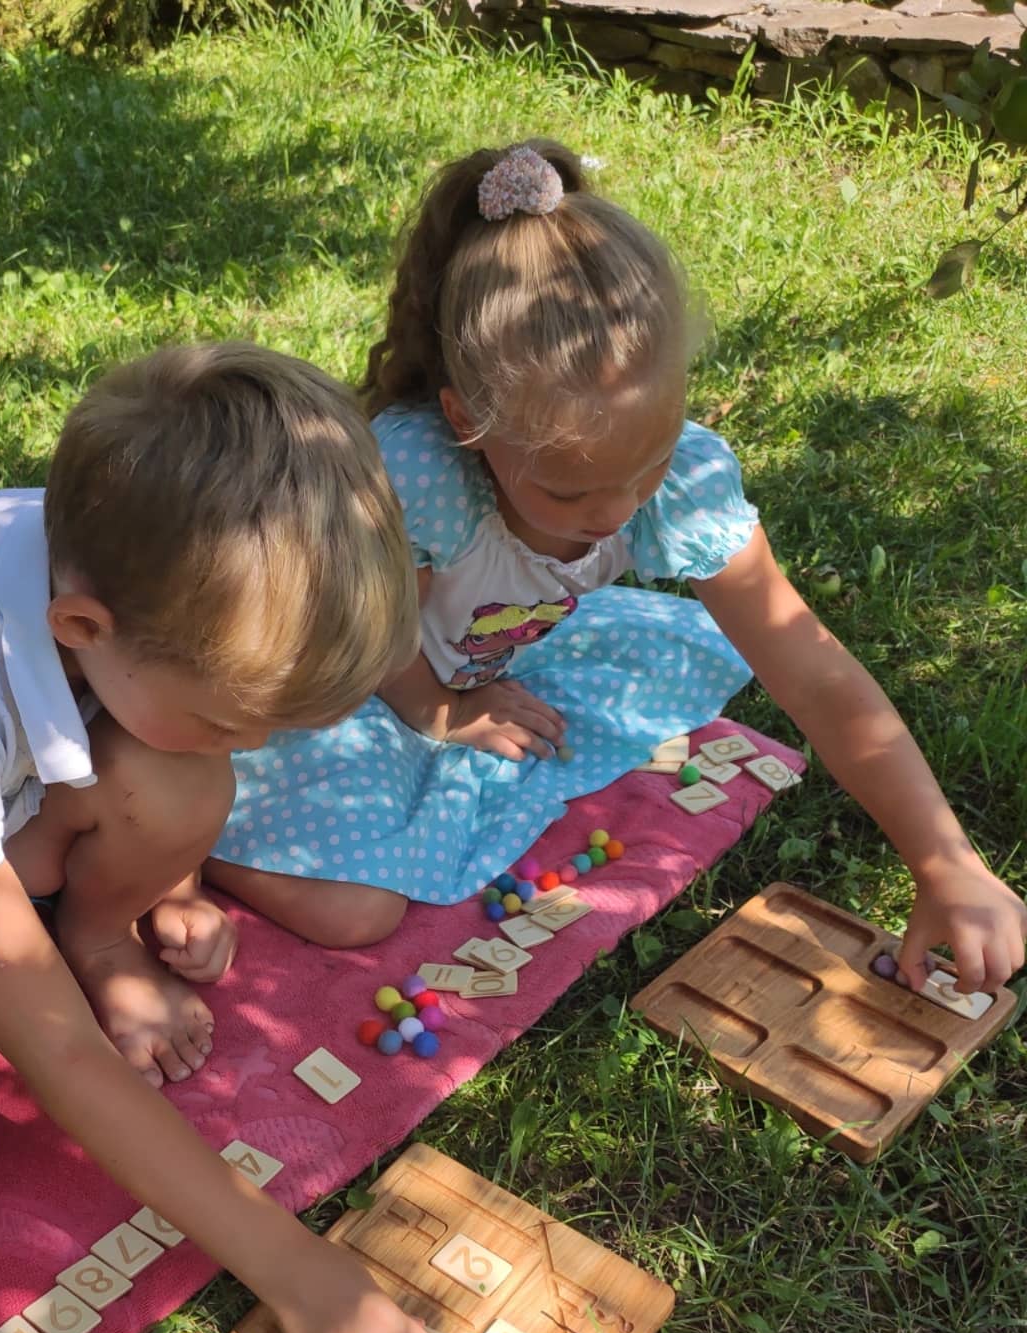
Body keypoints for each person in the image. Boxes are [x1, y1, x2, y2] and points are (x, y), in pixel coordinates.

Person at [0, 341, 457, 1333]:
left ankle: (91, 932)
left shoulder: (144, 553)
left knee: (179, 786)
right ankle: (28, 948)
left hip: (29, 822)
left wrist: (133, 886)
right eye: (232, 719)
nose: (252, 750)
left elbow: (169, 725)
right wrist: (293, 1266)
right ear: (83, 629)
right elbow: (65, 1056)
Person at [210, 141, 1026, 996]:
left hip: (478, 657)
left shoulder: (674, 480)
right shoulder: (421, 477)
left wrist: (946, 861)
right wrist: (438, 708)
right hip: (347, 679)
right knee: (355, 913)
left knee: (696, 647)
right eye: (570, 491)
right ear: (467, 423)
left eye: (649, 466)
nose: (616, 512)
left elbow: (814, 670)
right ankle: (188, 844)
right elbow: (367, 643)